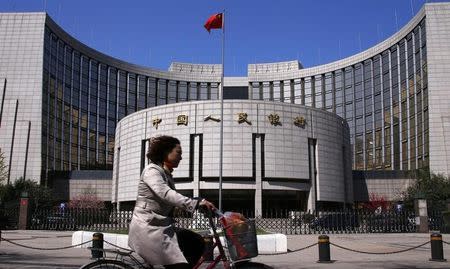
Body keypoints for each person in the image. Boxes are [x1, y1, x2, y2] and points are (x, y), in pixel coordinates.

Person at [128, 135, 216, 269]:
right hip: (148, 227)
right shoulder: (152, 171)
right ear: (165, 152)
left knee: (197, 241)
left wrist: (198, 201)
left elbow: (173, 197)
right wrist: (195, 204)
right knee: (180, 265)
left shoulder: (165, 173)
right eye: (178, 153)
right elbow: (165, 193)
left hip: (160, 226)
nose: (181, 157)